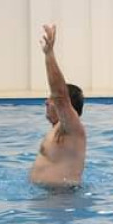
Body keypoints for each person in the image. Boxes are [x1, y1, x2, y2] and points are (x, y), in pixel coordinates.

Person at [30, 24, 86, 187]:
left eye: (51, 100)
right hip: (52, 197)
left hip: (62, 200)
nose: (46, 102)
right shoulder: (59, 128)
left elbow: (60, 95)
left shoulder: (72, 128)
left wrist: (49, 54)